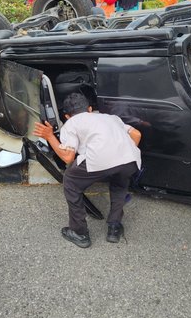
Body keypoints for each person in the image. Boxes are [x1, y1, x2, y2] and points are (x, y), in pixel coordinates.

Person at [33, 93, 142, 248]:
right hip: (130, 160)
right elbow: (137, 134)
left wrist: (50, 136)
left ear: (67, 116)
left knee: (70, 181)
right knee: (119, 186)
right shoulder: (110, 117)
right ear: (90, 109)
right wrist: (121, 155)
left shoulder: (70, 124)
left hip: (99, 160)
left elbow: (68, 157)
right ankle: (114, 228)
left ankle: (79, 233)